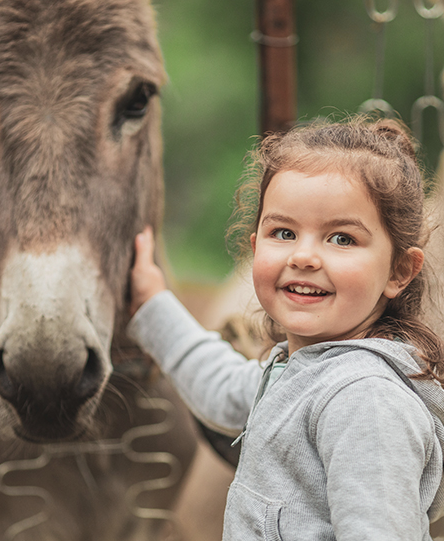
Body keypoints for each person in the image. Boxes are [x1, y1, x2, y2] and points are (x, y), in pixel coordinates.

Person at [127, 116, 444, 541]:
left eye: (342, 239)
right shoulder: (304, 371)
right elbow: (223, 388)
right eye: (284, 232)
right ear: (256, 246)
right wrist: (152, 304)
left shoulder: (365, 401)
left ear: (399, 271)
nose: (305, 256)